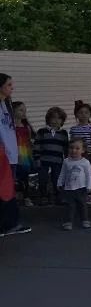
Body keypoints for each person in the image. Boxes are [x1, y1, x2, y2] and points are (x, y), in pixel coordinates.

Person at [0, 73, 31, 236]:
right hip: (2, 156)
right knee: (5, 191)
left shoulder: (6, 105)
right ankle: (8, 225)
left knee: (7, 190)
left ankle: (8, 224)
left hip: (9, 155)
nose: (12, 88)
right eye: (9, 85)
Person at [34, 107, 69, 204]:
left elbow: (66, 148)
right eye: (53, 118)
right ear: (48, 119)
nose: (55, 121)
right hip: (44, 160)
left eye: (59, 118)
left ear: (62, 120)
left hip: (57, 161)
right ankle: (43, 196)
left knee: (57, 179)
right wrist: (37, 158)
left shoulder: (63, 133)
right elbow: (37, 146)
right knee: (43, 179)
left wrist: (67, 160)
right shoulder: (42, 131)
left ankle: (59, 196)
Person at [57, 138, 91, 230]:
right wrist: (60, 182)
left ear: (83, 150)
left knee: (82, 205)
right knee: (70, 206)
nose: (74, 150)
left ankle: (85, 220)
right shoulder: (66, 161)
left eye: (77, 148)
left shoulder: (85, 162)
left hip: (81, 188)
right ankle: (68, 222)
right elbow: (63, 173)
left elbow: (89, 175)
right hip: (69, 188)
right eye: (71, 148)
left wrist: (89, 186)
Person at [11, 102, 34, 205]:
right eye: (21, 110)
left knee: (24, 177)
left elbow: (29, 142)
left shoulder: (26, 127)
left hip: (24, 155)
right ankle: (13, 196)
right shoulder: (9, 126)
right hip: (12, 155)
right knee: (13, 176)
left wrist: (31, 156)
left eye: (25, 110)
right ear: (13, 111)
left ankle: (26, 197)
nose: (24, 112)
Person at [69, 101, 91, 167]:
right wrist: (69, 156)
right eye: (80, 112)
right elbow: (71, 143)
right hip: (75, 155)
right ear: (76, 115)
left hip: (88, 155)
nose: (83, 114)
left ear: (90, 114)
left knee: (89, 174)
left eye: (86, 112)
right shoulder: (73, 129)